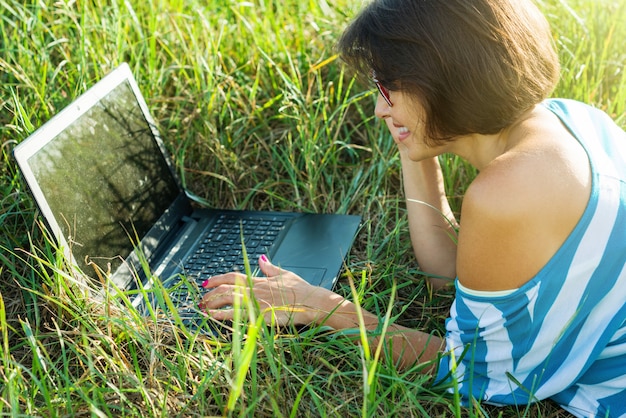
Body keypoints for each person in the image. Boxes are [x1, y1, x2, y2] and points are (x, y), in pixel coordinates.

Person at [200, 0, 626, 416]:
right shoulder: (572, 118)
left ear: (447, 79)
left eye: (388, 89)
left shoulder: (506, 191)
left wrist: (325, 308)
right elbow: (447, 273)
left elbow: (473, 376)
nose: (379, 108)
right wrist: (413, 139)